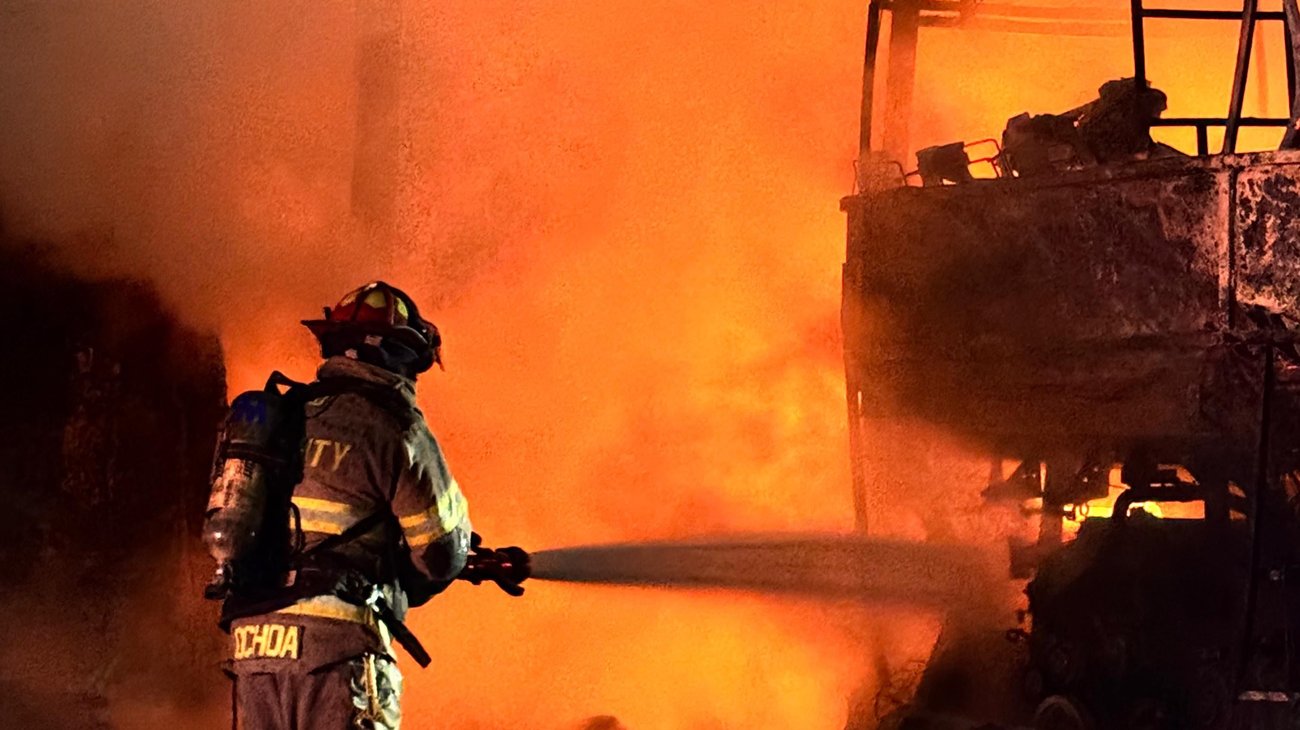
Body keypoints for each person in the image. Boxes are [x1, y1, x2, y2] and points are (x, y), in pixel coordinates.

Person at [222, 281, 471, 730]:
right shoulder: (393, 427)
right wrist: (403, 575)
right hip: (335, 653)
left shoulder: (282, 417)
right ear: (400, 356)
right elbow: (441, 553)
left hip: (254, 650)